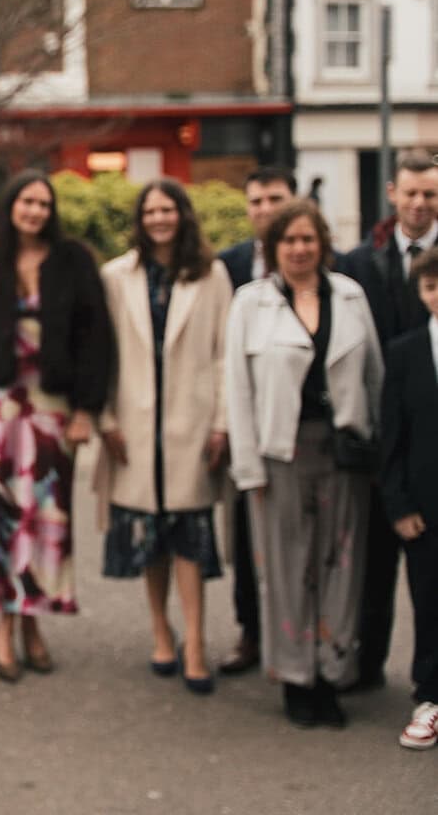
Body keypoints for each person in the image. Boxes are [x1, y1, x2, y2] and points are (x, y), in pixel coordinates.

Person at [0, 170, 114, 681]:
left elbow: (96, 339)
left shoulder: (74, 262)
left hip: (53, 411)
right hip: (0, 409)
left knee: (48, 520)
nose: (35, 211)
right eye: (27, 201)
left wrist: (87, 410)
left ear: (52, 211)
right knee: (2, 520)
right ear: (11, 206)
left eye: (44, 203)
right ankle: (4, 624)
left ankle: (35, 622)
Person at [225, 200, 381, 728]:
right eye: (288, 241)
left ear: (323, 244)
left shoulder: (351, 297)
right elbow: (238, 392)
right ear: (273, 249)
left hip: (343, 454)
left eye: (307, 239)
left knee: (341, 565)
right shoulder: (251, 303)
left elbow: (373, 377)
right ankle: (295, 677)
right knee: (287, 568)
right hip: (279, 454)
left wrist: (378, 448)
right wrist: (248, 467)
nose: (299, 249)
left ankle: (330, 674)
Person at [98, 180, 233, 695]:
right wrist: (107, 417)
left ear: (183, 214)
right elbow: (105, 355)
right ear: (141, 218)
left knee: (190, 537)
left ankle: (196, 641)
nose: (159, 218)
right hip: (134, 422)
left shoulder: (212, 274)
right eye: (150, 210)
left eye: (168, 209)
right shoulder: (117, 275)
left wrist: (222, 421)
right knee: (150, 538)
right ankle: (161, 630)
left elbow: (223, 353)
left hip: (191, 423)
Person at [338, 149, 438, 693]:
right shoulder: (358, 262)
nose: (420, 203)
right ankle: (366, 664)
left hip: (430, 439)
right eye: (412, 193)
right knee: (372, 567)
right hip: (373, 436)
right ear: (392, 194)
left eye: (431, 194)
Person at [214, 164, 297, 675]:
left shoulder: (319, 258)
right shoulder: (231, 264)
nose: (265, 209)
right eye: (257, 201)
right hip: (246, 414)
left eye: (275, 199)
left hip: (296, 416)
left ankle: (300, 636)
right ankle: (251, 631)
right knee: (247, 537)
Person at [381, 246, 438, 750]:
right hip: (425, 508)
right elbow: (391, 438)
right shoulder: (405, 352)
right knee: (428, 601)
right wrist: (399, 504)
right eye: (432, 286)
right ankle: (429, 695)